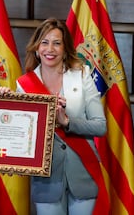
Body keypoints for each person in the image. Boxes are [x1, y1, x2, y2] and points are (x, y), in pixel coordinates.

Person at [15, 17, 108, 215]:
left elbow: (100, 126)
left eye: (57, 43)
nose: (50, 49)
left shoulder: (82, 75)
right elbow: (22, 136)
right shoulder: (24, 85)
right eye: (45, 42)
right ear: (37, 48)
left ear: (65, 49)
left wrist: (66, 122)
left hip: (82, 172)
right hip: (46, 179)